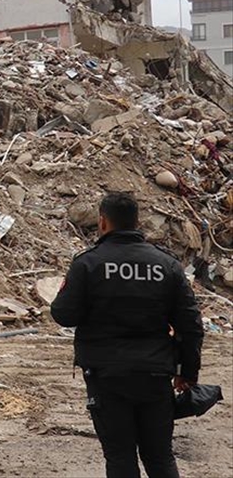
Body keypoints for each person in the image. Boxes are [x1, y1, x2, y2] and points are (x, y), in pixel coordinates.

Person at [51, 192, 203, 478]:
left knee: (120, 457)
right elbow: (191, 324)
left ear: (103, 222)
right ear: (136, 222)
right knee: (159, 456)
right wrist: (187, 372)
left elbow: (63, 314)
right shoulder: (166, 265)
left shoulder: (88, 264)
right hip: (156, 374)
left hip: (106, 375)